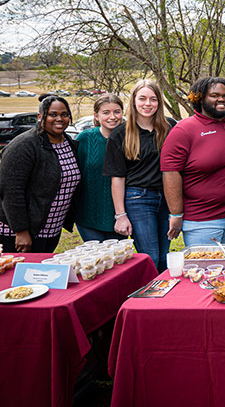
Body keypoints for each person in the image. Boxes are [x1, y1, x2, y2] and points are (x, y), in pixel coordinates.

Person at [162, 77, 225, 247]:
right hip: (203, 218)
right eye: (214, 95)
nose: (221, 99)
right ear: (200, 98)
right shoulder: (184, 130)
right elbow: (170, 172)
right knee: (206, 269)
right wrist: (176, 214)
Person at [104, 79, 175, 271]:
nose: (147, 104)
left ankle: (163, 296)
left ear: (159, 102)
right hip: (138, 199)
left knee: (164, 256)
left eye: (153, 99)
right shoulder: (121, 134)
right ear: (134, 101)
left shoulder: (170, 127)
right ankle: (149, 299)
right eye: (142, 98)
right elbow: (117, 178)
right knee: (149, 255)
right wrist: (121, 215)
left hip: (167, 198)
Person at [0, 94, 81, 253]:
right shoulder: (24, 145)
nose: (60, 119)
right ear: (40, 117)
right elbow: (10, 191)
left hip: (51, 230)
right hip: (17, 233)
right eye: (53, 114)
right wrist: (21, 230)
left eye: (64, 114)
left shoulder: (70, 144)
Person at [73, 94, 126, 242]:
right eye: (106, 112)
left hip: (120, 216)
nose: (112, 117)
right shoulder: (85, 138)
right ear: (96, 116)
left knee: (117, 260)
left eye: (117, 111)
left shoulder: (129, 139)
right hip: (88, 215)